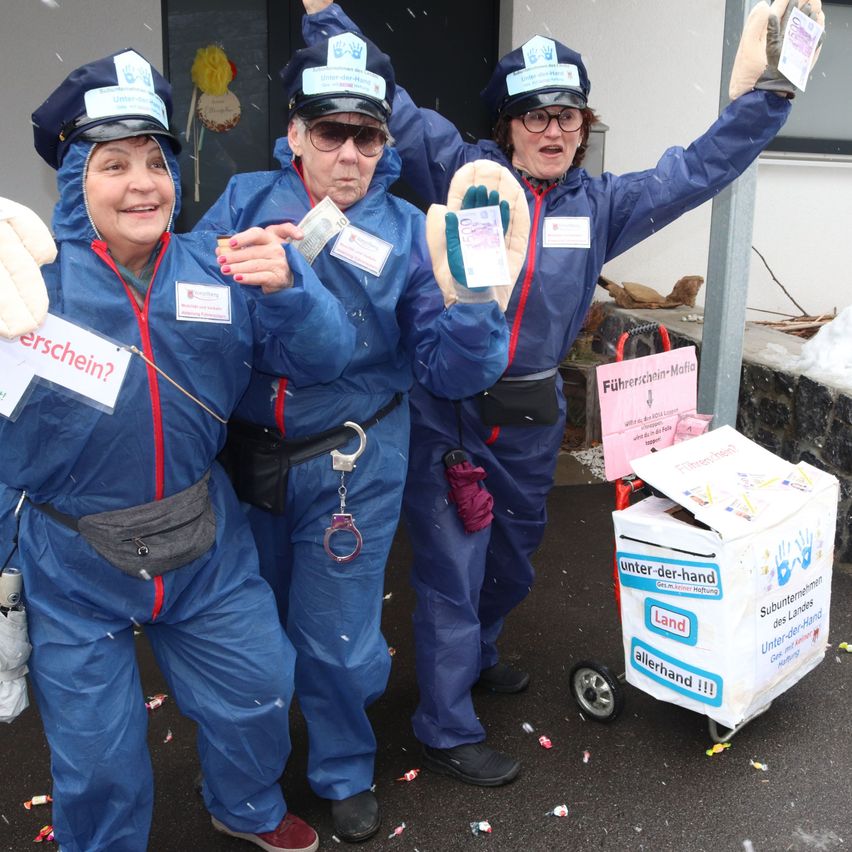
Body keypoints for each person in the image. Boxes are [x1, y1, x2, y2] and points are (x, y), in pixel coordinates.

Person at [301, 0, 823, 785]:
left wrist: (771, 95)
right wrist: (324, 15)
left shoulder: (603, 206)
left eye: (568, 117)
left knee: (510, 563)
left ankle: (476, 657)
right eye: (535, 116)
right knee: (452, 570)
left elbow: (702, 166)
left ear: (584, 126)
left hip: (534, 418)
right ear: (507, 124)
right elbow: (393, 102)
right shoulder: (460, 170)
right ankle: (443, 723)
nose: (553, 132)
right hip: (451, 413)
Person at [0, 48, 357, 852]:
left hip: (205, 541)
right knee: (97, 755)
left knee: (261, 688)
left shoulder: (223, 263)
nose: (142, 184)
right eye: (113, 163)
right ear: (72, 182)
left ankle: (246, 806)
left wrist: (298, 293)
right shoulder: (27, 285)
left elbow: (326, 358)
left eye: (156, 162)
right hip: (72, 558)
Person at [194, 33, 510, 843]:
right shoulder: (241, 203)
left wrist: (474, 305)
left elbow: (448, 370)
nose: (347, 152)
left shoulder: (411, 233)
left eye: (365, 135)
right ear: (294, 134)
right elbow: (187, 308)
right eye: (328, 131)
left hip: (352, 461)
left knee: (337, 637)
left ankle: (341, 766)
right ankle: (255, 778)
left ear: (384, 144)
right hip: (247, 457)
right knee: (247, 633)